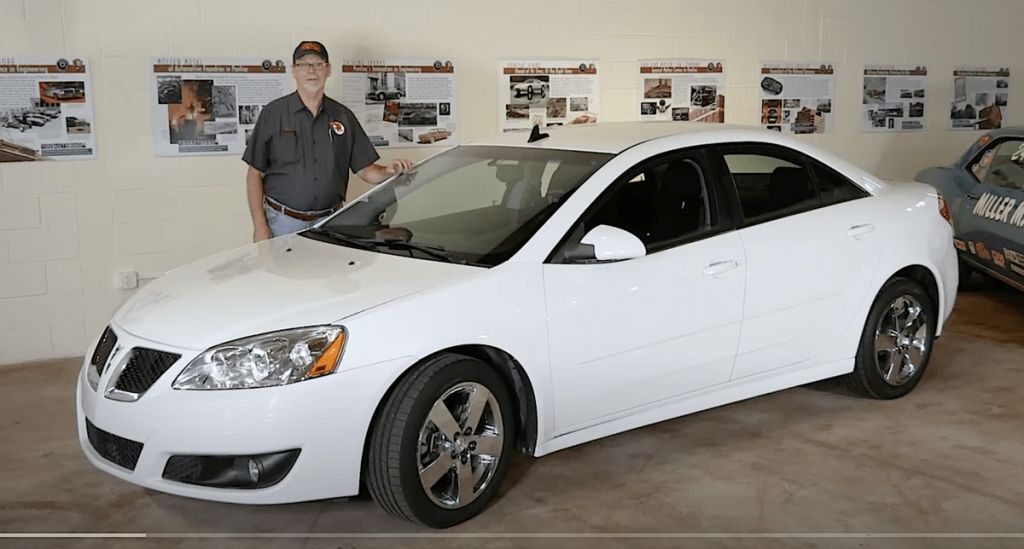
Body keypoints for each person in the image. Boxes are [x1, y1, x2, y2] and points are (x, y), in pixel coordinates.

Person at [242, 40, 413, 241]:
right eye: (304, 64)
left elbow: (366, 170)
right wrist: (260, 226)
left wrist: (388, 171)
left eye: (318, 64)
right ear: (294, 71)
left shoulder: (343, 116)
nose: (311, 70)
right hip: (283, 224)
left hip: (330, 223)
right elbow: (254, 174)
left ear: (328, 70)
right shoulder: (273, 114)